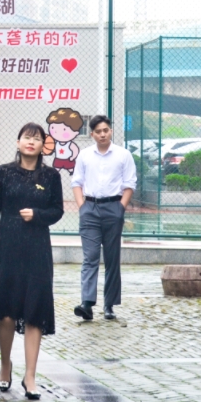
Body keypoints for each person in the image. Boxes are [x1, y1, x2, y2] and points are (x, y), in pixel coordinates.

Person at [0, 122, 64, 401]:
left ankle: (30, 376)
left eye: (36, 139)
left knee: (35, 311)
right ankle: (5, 365)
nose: (31, 142)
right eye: (27, 137)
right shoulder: (4, 172)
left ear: (43, 146)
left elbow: (57, 211)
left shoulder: (51, 175)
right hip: (8, 248)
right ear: (18, 142)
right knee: (6, 312)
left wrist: (37, 215)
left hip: (38, 250)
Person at [71, 115, 136, 321]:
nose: (102, 134)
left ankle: (109, 305)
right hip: (89, 209)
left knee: (111, 258)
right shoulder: (84, 155)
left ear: (111, 131)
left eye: (105, 130)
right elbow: (76, 182)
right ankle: (87, 304)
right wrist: (82, 207)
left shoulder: (123, 155)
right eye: (98, 131)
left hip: (113, 208)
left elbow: (130, 184)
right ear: (92, 134)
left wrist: (120, 208)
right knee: (90, 257)